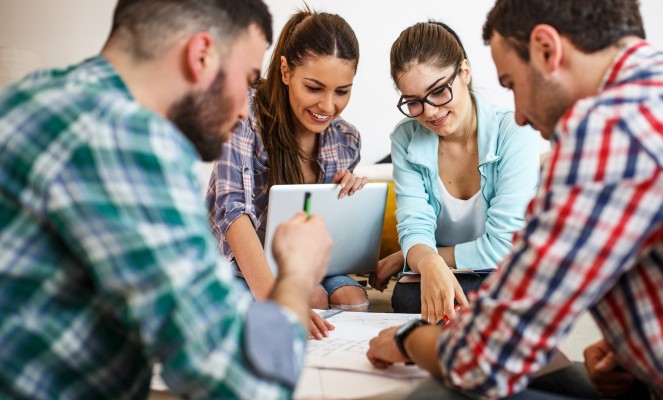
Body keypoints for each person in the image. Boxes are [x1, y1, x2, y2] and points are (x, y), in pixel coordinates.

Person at [367, 0, 663, 398]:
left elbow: (483, 360)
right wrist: (631, 348)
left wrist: (406, 341)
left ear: (546, 49)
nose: (517, 113)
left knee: (433, 392)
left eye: (512, 83)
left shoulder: (607, 130)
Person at [0, 1, 334, 398]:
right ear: (201, 55)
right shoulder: (126, 137)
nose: (246, 110)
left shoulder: (30, 97)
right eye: (247, 80)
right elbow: (245, 385)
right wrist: (295, 274)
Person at [206, 9, 369, 340]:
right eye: (314, 87)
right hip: (245, 267)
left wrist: (349, 196)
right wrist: (278, 304)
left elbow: (326, 227)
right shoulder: (244, 113)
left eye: (342, 91)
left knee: (353, 299)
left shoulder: (346, 139)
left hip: (307, 263)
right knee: (313, 298)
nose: (328, 106)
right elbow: (232, 211)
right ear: (285, 70)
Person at [368, 21, 540, 323]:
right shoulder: (406, 137)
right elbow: (414, 227)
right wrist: (425, 260)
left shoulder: (514, 130)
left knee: (504, 293)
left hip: (504, 269)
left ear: (464, 72)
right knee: (408, 297)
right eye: (414, 102)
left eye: (438, 91)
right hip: (445, 273)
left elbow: (502, 247)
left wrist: (424, 259)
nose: (431, 111)